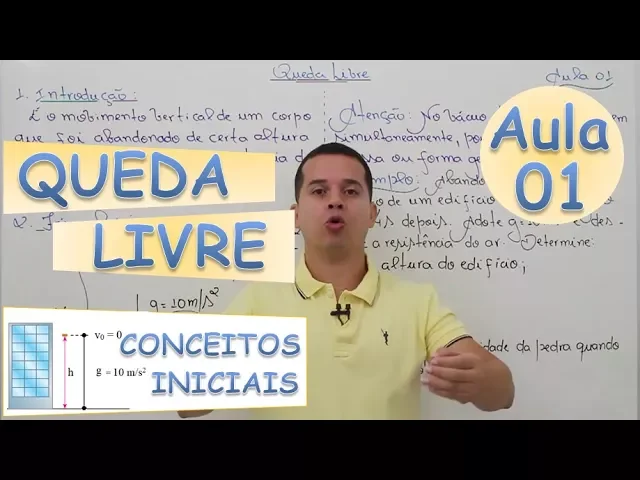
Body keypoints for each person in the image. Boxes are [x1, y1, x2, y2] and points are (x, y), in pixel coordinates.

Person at [179, 142, 514, 420]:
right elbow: (188, 406)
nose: (335, 200)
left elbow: (503, 392)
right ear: (295, 215)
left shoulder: (418, 302)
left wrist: (479, 381)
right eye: (319, 190)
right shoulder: (258, 302)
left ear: (371, 213)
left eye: (351, 191)